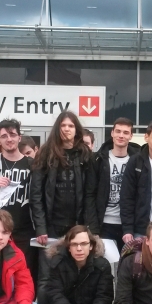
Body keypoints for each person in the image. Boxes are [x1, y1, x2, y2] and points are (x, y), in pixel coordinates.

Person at [31, 111, 98, 291]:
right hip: (51, 226)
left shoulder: (85, 155)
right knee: (47, 275)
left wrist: (90, 227)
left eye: (70, 125)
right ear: (57, 128)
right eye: (63, 125)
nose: (67, 129)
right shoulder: (45, 153)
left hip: (77, 226)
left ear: (76, 129)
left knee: (74, 274)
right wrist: (41, 227)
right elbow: (36, 194)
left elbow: (90, 194)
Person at [0, 119, 37, 277]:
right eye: (4, 136)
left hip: (25, 231)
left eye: (12, 135)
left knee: (24, 275)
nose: (9, 139)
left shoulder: (32, 165)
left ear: (19, 137)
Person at [95, 117, 140, 245]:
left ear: (131, 136)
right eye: (118, 131)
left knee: (128, 258)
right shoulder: (98, 159)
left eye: (126, 132)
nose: (121, 135)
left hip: (130, 225)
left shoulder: (138, 161)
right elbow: (90, 194)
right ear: (112, 133)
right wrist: (93, 227)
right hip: (104, 223)